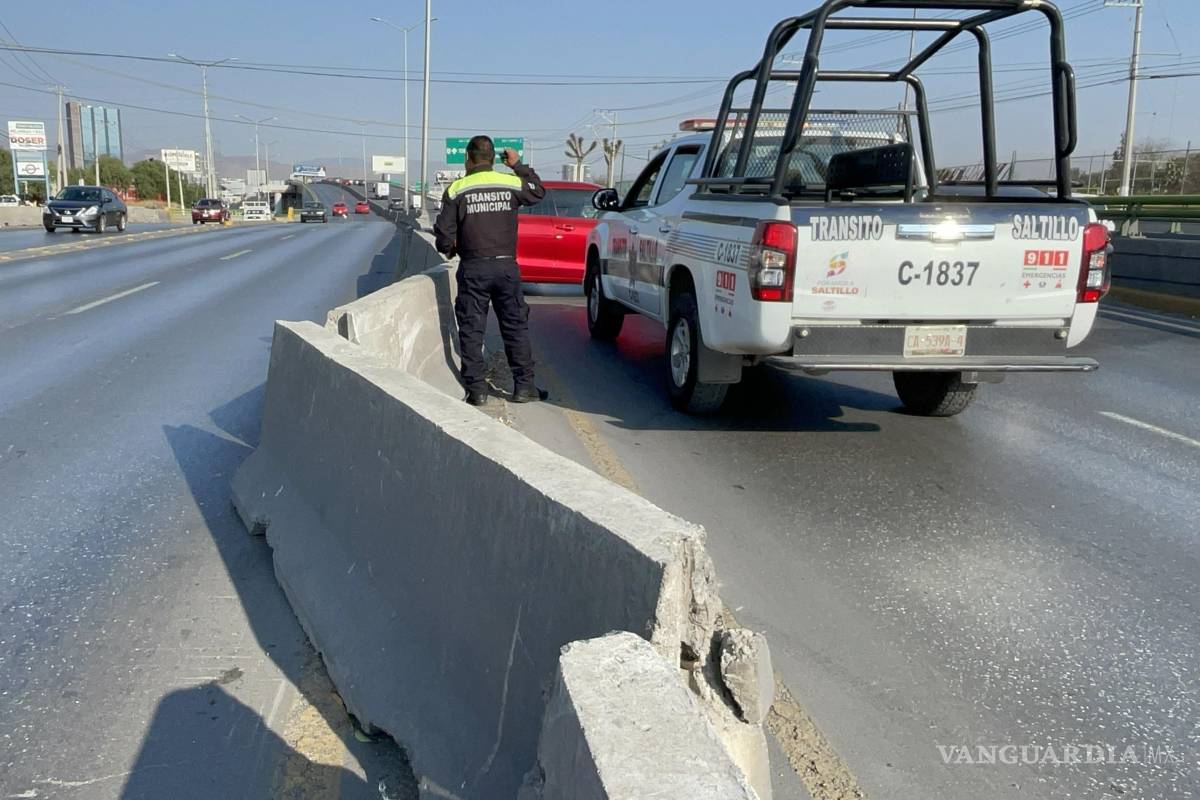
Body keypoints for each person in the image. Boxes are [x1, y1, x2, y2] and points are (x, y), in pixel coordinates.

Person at [435, 135, 547, 406]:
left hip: (473, 267)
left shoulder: (457, 189)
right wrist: (518, 165)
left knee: (472, 329)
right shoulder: (510, 182)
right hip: (506, 267)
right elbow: (537, 191)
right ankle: (523, 387)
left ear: (467, 158)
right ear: (493, 157)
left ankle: (477, 390)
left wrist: (450, 249)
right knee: (515, 327)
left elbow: (444, 235)